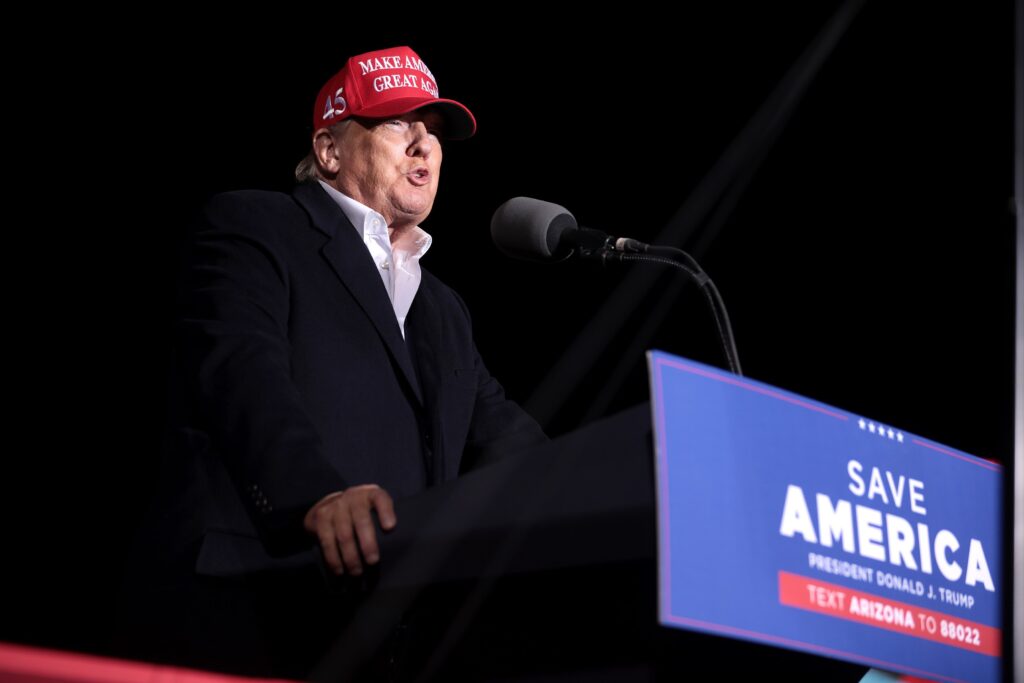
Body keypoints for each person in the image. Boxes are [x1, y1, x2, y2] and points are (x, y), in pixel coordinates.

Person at [116, 45, 546, 679]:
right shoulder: (256, 226)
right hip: (251, 607)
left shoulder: (444, 309)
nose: (424, 145)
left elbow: (507, 438)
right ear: (330, 150)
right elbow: (243, 375)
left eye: (433, 133)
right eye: (400, 124)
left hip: (387, 639)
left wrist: (631, 476)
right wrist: (313, 495)